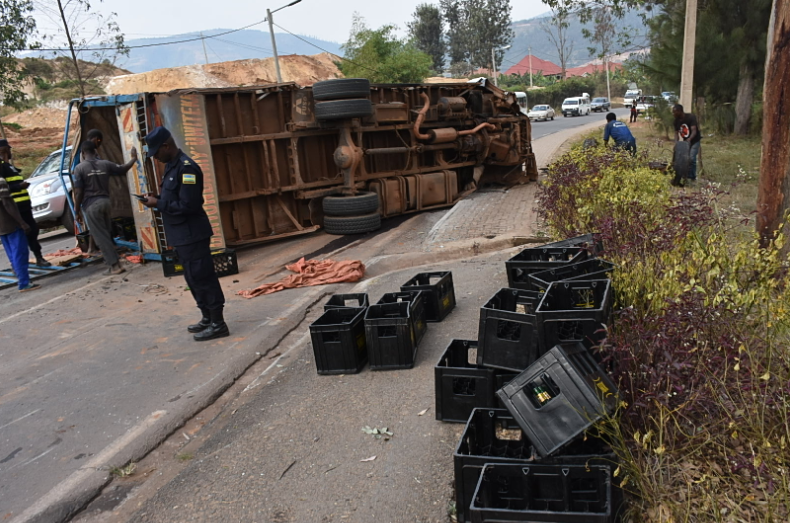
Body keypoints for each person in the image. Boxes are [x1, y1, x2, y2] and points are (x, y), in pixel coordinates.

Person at [140, 127, 229, 342]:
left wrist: (158, 203)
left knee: (203, 277)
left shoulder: (187, 168)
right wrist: (156, 198)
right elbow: (175, 198)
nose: (156, 158)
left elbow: (189, 205)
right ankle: (207, 317)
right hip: (181, 235)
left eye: (156, 153)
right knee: (192, 278)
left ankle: (219, 323)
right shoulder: (172, 167)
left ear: (166, 146)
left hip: (193, 234)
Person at [72, 139, 138, 275]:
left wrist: (76, 211)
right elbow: (123, 168)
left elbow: (78, 192)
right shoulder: (105, 164)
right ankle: (116, 262)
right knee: (106, 235)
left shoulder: (79, 168)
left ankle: (114, 266)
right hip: (106, 203)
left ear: (83, 153)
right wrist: (134, 158)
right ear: (95, 151)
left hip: (91, 206)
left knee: (101, 238)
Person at [0, 139, 50, 266]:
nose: (11, 151)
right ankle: (18, 265)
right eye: (9, 149)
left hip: (25, 207)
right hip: (15, 209)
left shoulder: (9, 166)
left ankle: (38, 258)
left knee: (33, 232)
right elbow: (3, 190)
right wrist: (19, 186)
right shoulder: (1, 167)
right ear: (4, 150)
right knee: (20, 238)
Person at [0, 177, 39, 292]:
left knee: (12, 254)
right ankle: (24, 283)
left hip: (1, 227)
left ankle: (22, 279)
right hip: (11, 223)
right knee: (19, 254)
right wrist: (21, 222)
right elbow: (7, 203)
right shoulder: (1, 181)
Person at [672, 104, 702, 181]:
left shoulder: (691, 117)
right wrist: (676, 143)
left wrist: (689, 139)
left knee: (692, 158)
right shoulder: (676, 121)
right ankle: (685, 175)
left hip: (694, 141)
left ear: (679, 111)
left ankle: (692, 177)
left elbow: (694, 131)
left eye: (675, 112)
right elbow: (676, 133)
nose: (673, 113)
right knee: (684, 159)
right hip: (685, 143)